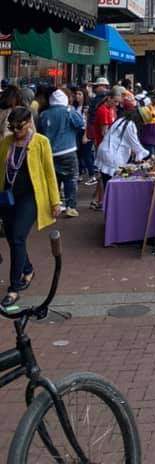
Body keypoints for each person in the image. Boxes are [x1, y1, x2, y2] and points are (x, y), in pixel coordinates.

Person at [0, 106, 61, 308]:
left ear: (29, 123)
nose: (16, 131)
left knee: (18, 236)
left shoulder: (41, 142)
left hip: (30, 198)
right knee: (12, 239)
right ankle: (27, 269)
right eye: (12, 127)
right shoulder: (6, 142)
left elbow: (49, 173)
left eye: (20, 127)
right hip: (8, 197)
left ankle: (14, 288)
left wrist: (55, 201)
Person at [93, 95, 149, 208]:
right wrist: (146, 155)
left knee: (107, 183)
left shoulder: (121, 120)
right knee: (114, 185)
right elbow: (135, 145)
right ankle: (113, 208)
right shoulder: (130, 125)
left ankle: (108, 207)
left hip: (105, 151)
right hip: (112, 156)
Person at [37, 88, 83, 218]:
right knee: (71, 179)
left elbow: (40, 131)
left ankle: (54, 206)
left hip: (50, 152)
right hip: (68, 150)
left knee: (53, 180)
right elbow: (80, 124)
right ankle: (70, 206)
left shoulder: (44, 114)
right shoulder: (69, 111)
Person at [71, 87, 95, 185]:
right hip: (77, 132)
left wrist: (86, 135)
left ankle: (92, 175)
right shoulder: (75, 107)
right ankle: (80, 174)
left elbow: (88, 122)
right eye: (76, 94)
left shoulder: (87, 108)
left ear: (84, 96)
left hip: (86, 132)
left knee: (87, 154)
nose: (77, 96)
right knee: (78, 153)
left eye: (80, 94)